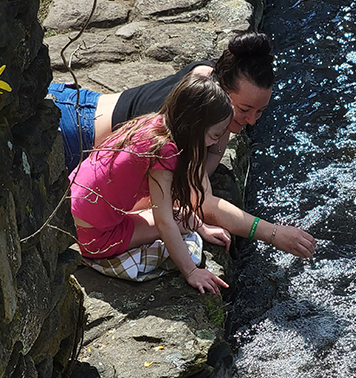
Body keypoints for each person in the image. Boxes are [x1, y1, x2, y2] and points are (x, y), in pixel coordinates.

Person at [50, 33, 316, 259]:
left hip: (76, 100)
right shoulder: (182, 128)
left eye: (260, 111)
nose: (252, 121)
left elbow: (195, 181)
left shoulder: (207, 77)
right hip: (71, 134)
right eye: (245, 109)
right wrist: (273, 233)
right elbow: (202, 202)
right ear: (220, 92)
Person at [70, 74, 234, 294]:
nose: (215, 142)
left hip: (70, 209)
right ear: (194, 127)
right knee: (178, 223)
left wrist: (200, 225)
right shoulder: (165, 151)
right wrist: (191, 271)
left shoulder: (153, 122)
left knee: (183, 218)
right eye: (214, 134)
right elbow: (164, 220)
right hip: (92, 237)